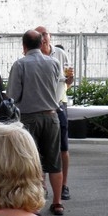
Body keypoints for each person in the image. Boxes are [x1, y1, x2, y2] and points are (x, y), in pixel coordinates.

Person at [8, 29, 65, 216]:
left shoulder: (20, 64)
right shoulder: (54, 63)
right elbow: (57, 87)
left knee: (31, 163)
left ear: (24, 46)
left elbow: (13, 95)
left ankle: (34, 205)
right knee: (54, 162)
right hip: (51, 116)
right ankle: (57, 202)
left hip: (28, 118)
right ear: (42, 44)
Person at [35, 26, 74, 200]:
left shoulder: (60, 54)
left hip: (59, 105)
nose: (43, 38)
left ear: (50, 36)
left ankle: (64, 185)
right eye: (39, 35)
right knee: (39, 149)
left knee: (63, 148)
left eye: (45, 34)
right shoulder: (33, 56)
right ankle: (41, 186)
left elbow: (68, 81)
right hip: (39, 107)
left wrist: (70, 79)